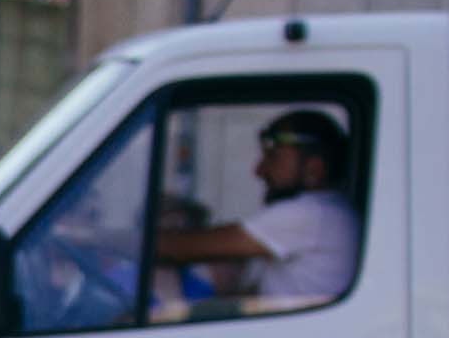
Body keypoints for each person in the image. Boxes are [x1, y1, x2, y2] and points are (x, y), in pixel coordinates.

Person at [153, 109, 358, 305]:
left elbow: (179, 249)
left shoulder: (312, 214)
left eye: (273, 158)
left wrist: (136, 239)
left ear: (314, 169)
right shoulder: (330, 212)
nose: (258, 170)